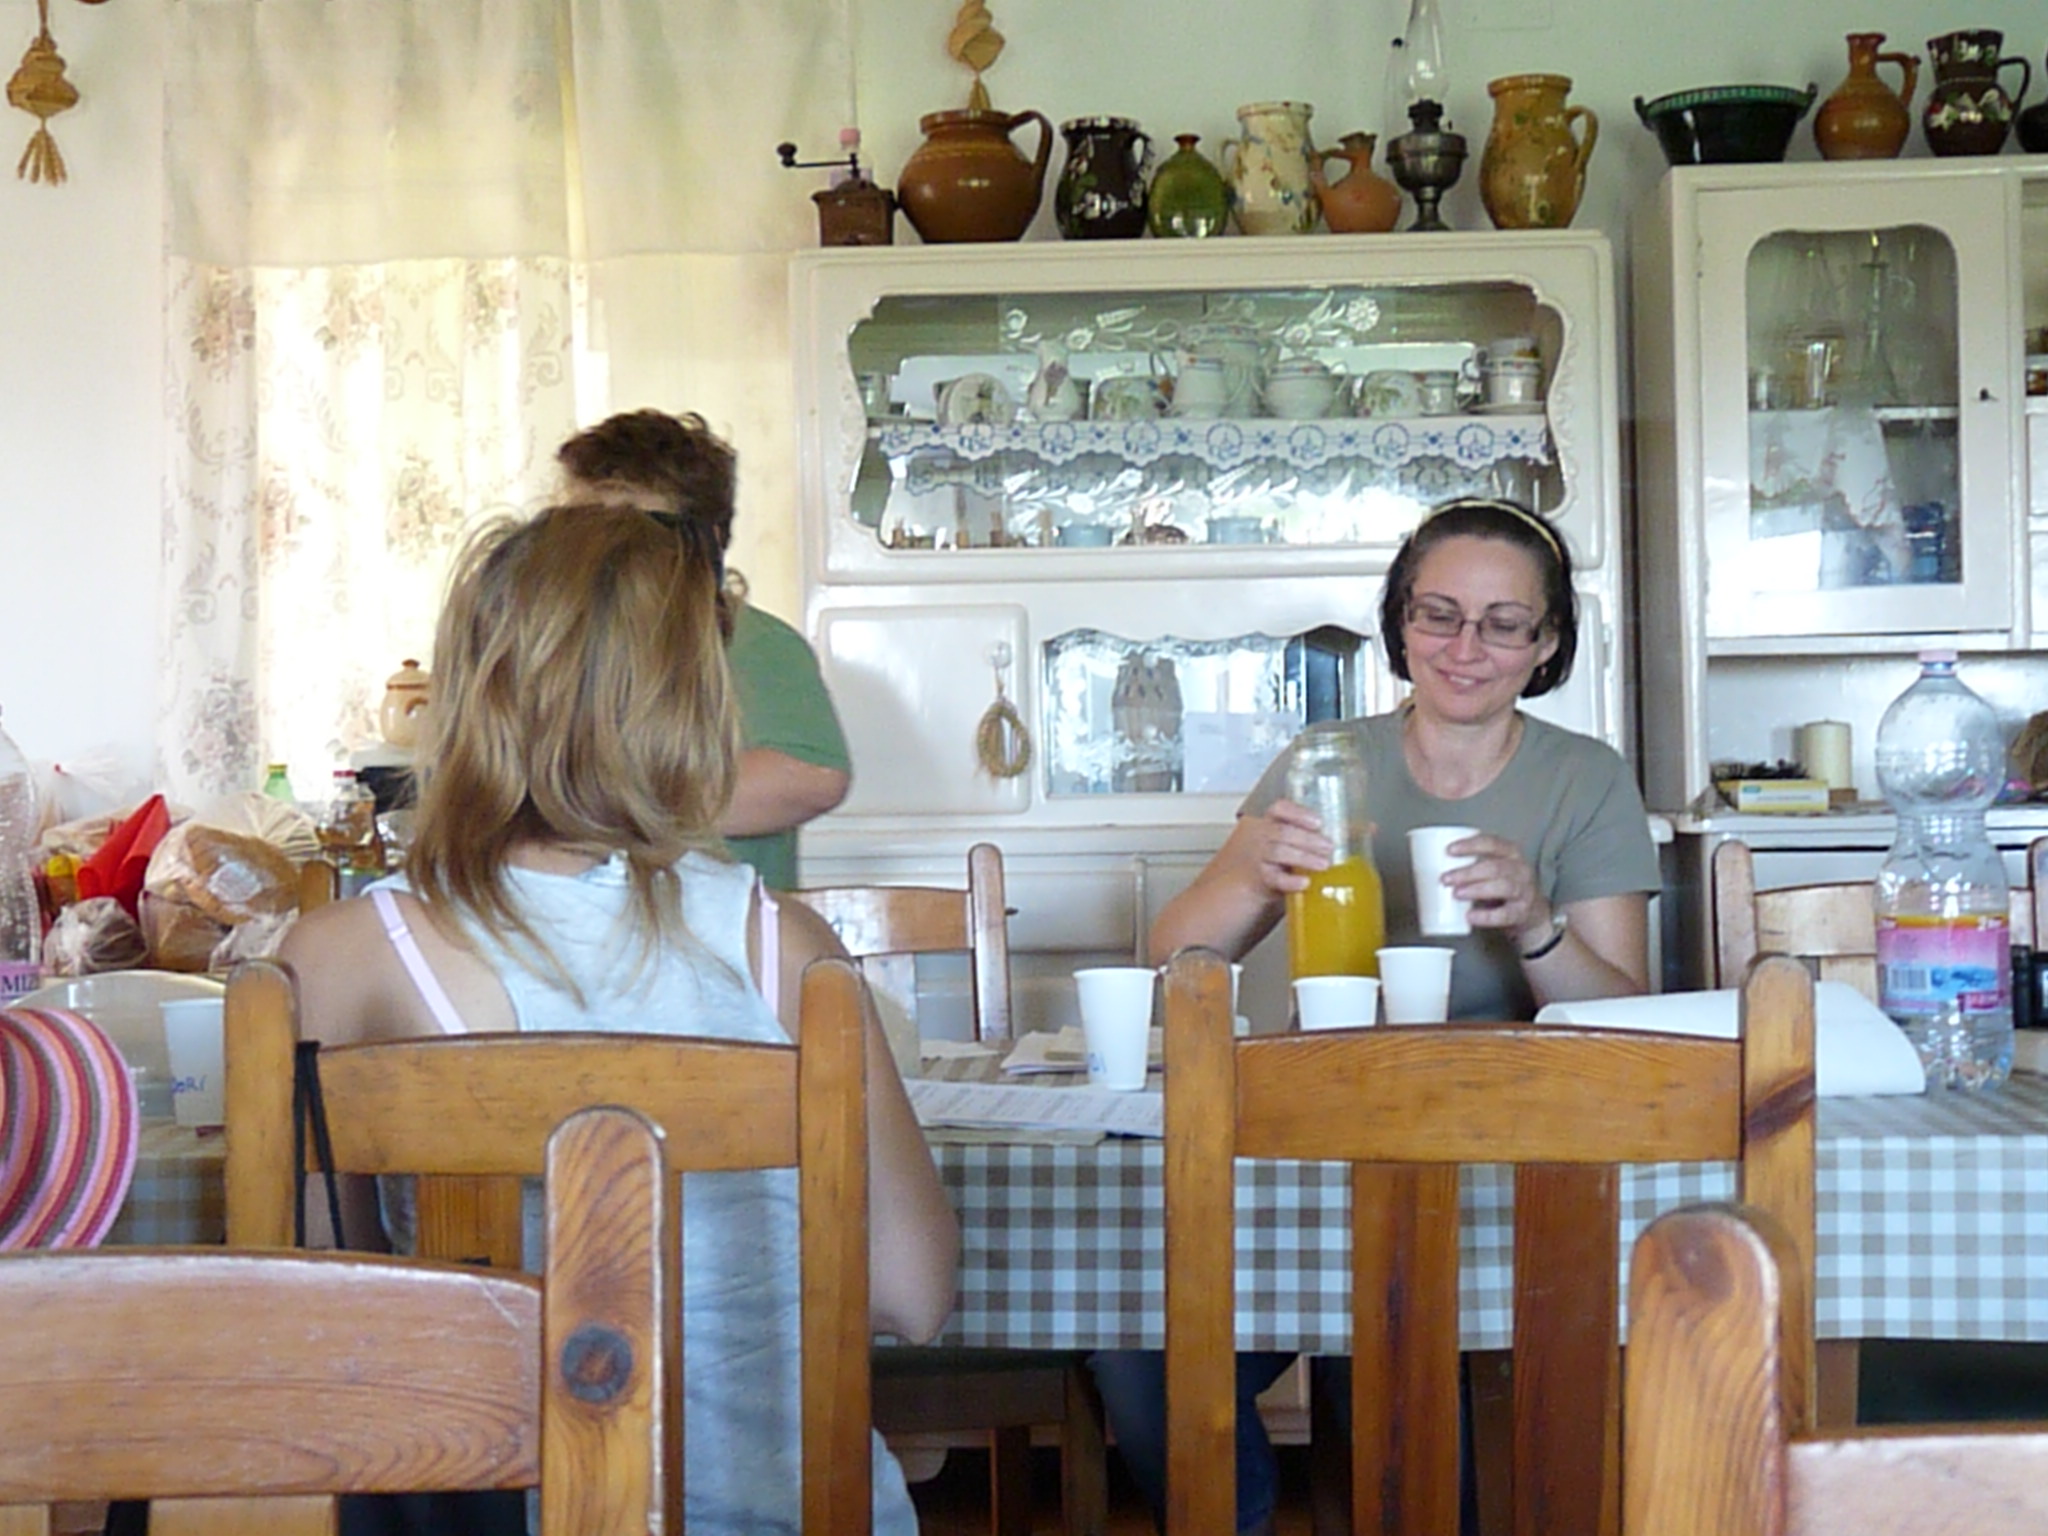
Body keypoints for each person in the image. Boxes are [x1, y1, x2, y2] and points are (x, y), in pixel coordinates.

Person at [281, 505, 959, 1535]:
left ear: (468, 698)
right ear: (696, 709)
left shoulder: (340, 959)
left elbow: (323, 1310)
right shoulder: (786, 947)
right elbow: (915, 1293)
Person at [1097, 496, 1662, 1535]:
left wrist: (1535, 924)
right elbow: (1170, 961)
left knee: (1389, 1358)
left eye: (1503, 624)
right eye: (1438, 615)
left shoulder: (1582, 780)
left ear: (1546, 644)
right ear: (1400, 622)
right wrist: (1253, 877)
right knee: (1141, 1347)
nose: (1465, 648)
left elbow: (1628, 1027)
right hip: (1316, 1140)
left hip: (1498, 1155)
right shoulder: (1325, 760)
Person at [556, 409, 850, 889]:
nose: (595, 553)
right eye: (575, 529)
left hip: (714, 930)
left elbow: (811, 779)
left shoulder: (750, 641)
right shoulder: (552, 642)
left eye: (628, 532)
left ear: (703, 543)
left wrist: (595, 805)